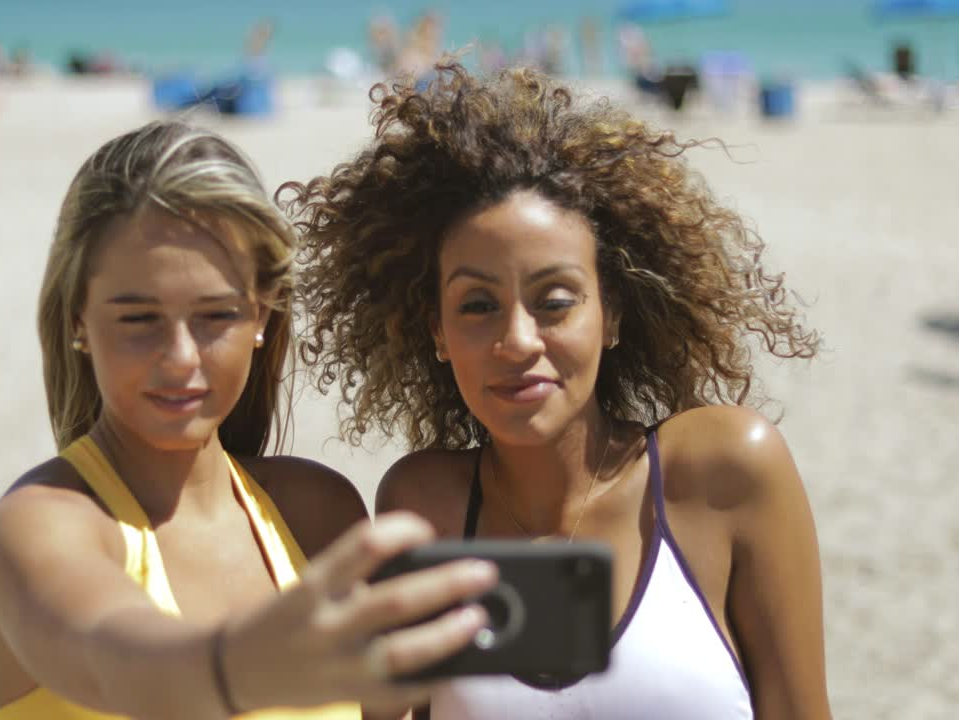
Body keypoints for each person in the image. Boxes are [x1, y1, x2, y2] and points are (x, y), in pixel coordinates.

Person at [283, 62, 832, 719]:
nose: (517, 340)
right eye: (478, 305)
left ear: (614, 314)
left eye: (555, 300)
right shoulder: (426, 505)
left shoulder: (723, 472)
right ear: (436, 331)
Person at [0, 119, 499, 720]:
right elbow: (114, 660)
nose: (179, 359)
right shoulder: (38, 528)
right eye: (138, 318)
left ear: (261, 315)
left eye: (215, 315)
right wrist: (243, 664)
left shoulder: (318, 515)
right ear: (77, 321)